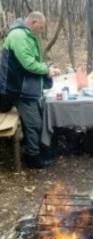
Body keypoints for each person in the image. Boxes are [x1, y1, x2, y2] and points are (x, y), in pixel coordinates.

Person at [0, 12, 62, 168]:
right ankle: (33, 158)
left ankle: (40, 150)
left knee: (38, 120)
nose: (41, 30)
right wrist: (47, 71)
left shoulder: (26, 35)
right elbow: (27, 63)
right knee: (33, 123)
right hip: (16, 89)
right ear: (34, 22)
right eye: (40, 27)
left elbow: (32, 61)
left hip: (24, 87)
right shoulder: (19, 36)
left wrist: (46, 67)